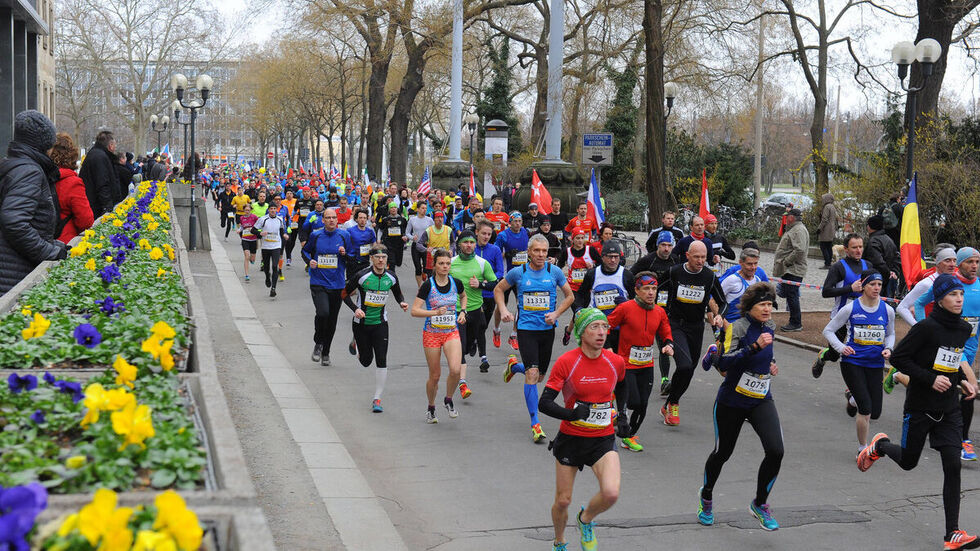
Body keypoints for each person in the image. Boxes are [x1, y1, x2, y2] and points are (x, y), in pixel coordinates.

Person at [856, 273, 980, 551]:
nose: (959, 299)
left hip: (948, 408)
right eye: (952, 295)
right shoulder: (926, 327)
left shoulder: (962, 328)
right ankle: (881, 446)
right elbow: (900, 359)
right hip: (921, 405)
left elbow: (950, 361)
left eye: (961, 294)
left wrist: (964, 382)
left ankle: (952, 534)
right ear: (939, 299)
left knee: (953, 465)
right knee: (909, 461)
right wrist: (929, 379)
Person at [537, 308, 629, 551]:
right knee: (563, 500)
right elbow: (544, 403)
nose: (601, 333)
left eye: (604, 327)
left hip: (602, 439)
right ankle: (559, 541)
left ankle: (585, 519)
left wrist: (622, 414)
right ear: (581, 331)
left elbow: (621, 386)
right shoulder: (568, 362)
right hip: (571, 438)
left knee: (610, 493)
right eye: (594, 327)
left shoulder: (615, 361)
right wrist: (571, 414)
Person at [697, 282, 784, 531]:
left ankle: (760, 503)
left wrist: (771, 362)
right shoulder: (737, 328)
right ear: (750, 307)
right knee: (723, 453)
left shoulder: (770, 326)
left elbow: (768, 353)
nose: (767, 309)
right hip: (732, 401)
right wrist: (754, 348)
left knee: (776, 450)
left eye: (770, 305)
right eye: (763, 305)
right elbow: (724, 363)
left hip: (760, 398)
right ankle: (707, 496)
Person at [496, 234, 575, 443]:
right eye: (536, 251)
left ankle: (514, 367)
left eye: (544, 251)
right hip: (526, 329)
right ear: (529, 252)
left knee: (539, 376)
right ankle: (535, 423)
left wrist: (557, 314)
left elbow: (570, 296)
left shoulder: (554, 272)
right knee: (532, 374)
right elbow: (498, 289)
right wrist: (503, 309)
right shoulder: (519, 272)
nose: (540, 254)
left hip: (547, 330)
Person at [821, 270, 895, 453]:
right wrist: (841, 348)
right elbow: (828, 331)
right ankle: (863, 448)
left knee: (876, 412)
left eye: (879, 284)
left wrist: (889, 348)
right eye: (872, 284)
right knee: (866, 409)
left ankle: (853, 399)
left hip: (875, 363)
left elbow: (891, 333)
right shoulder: (851, 308)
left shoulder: (887, 310)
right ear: (863, 286)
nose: (877, 288)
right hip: (852, 362)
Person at [0, 110, 67, 295]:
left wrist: (56, 244)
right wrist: (50, 252)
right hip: (14, 273)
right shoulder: (29, 171)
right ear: (43, 145)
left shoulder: (13, 164)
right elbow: (14, 222)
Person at [660, 240, 726, 425]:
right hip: (675, 324)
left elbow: (723, 301)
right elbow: (656, 289)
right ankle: (673, 403)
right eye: (696, 257)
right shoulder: (675, 272)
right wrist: (661, 312)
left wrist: (720, 315)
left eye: (703, 257)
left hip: (696, 327)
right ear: (687, 255)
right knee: (684, 366)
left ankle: (669, 402)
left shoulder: (709, 276)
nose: (700, 261)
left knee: (689, 370)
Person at [605, 272, 673, 452]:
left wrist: (668, 343)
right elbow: (606, 325)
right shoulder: (625, 308)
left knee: (643, 404)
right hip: (626, 364)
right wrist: (608, 347)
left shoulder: (659, 311)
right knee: (634, 401)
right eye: (646, 289)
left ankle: (629, 436)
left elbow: (665, 330)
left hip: (647, 365)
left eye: (654, 289)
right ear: (637, 290)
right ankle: (616, 406)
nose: (651, 293)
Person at [343, 244, 408, 413]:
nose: (381, 260)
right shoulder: (362, 276)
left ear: (387, 259)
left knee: (381, 359)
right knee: (366, 361)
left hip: (380, 324)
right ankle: (356, 343)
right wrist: (355, 309)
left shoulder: (391, 277)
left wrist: (401, 302)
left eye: (383, 257)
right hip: (361, 324)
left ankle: (377, 398)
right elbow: (344, 293)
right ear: (371, 258)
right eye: (377, 257)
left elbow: (397, 292)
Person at [411, 248, 467, 423]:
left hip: (451, 331)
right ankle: (431, 406)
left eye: (448, 263)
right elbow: (414, 311)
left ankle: (448, 399)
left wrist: (463, 312)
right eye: (441, 263)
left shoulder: (456, 282)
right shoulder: (428, 285)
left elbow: (463, 297)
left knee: (456, 370)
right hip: (432, 334)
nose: (445, 266)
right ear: (435, 265)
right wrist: (434, 313)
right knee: (435, 376)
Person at [811, 233, 871, 377]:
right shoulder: (838, 267)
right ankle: (823, 356)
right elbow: (826, 292)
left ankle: (853, 389)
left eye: (861, 247)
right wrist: (850, 289)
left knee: (861, 352)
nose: (858, 250)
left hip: (861, 316)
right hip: (841, 315)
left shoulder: (867, 265)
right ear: (845, 249)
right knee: (835, 354)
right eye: (854, 247)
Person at [450, 230, 499, 399]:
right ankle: (463, 383)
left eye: (471, 242)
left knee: (470, 342)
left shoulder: (482, 263)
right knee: (460, 348)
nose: (469, 245)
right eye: (465, 242)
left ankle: (473, 344)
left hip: (475, 310)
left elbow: (495, 284)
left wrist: (480, 284)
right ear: (459, 244)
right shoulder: (451, 263)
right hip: (456, 311)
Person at [630, 231, 679, 395]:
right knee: (640, 342)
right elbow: (630, 276)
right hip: (644, 307)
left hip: (664, 309)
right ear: (658, 245)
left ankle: (665, 379)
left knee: (664, 343)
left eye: (669, 245)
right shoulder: (648, 260)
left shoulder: (675, 260)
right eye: (663, 245)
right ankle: (632, 374)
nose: (666, 249)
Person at [302, 209, 352, 366]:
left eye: (334, 218)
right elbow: (305, 250)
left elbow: (353, 258)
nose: (331, 220)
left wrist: (344, 254)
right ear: (322, 220)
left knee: (332, 321)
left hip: (337, 284)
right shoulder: (316, 235)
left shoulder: (344, 236)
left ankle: (326, 352)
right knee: (323, 313)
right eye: (328, 218)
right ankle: (318, 342)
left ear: (337, 220)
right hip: (318, 282)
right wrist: (309, 261)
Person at [558, 228, 601, 346]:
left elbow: (601, 264)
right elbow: (559, 266)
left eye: (582, 238)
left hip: (588, 288)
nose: (580, 241)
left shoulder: (590, 250)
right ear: (572, 239)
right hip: (573, 289)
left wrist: (593, 265)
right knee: (580, 313)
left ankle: (568, 330)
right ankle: (585, 340)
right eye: (578, 238)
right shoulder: (567, 252)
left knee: (581, 313)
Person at [494, 212, 531, 349]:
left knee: (521, 305)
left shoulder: (525, 232)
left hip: (521, 274)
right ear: (510, 222)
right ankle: (496, 330)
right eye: (515, 221)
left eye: (520, 221)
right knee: (501, 305)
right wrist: (507, 254)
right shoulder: (503, 235)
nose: (518, 223)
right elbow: (496, 253)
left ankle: (514, 335)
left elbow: (528, 250)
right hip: (507, 275)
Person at [49, 133, 94, 244]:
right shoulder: (73, 183)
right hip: (66, 242)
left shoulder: (40, 176)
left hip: (40, 243)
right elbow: (86, 221)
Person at [896, 246, 957, 326]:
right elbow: (901, 308)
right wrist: (918, 327)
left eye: (954, 260)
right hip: (930, 334)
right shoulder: (927, 283)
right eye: (947, 260)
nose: (952, 264)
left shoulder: (957, 282)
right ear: (938, 263)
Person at [474, 220, 505, 372]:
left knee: (484, 325)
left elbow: (500, 271)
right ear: (477, 233)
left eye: (489, 234)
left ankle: (475, 340)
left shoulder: (495, 250)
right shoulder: (470, 248)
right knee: (479, 325)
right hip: (474, 294)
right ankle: (483, 357)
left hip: (490, 293)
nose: (486, 236)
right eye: (483, 233)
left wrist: (490, 278)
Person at [772, 207, 809, 332]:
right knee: (789, 294)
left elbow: (799, 250)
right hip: (791, 269)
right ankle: (794, 321)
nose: (786, 219)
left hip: (793, 269)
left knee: (792, 295)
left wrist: (786, 261)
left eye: (787, 217)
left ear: (791, 218)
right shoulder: (796, 229)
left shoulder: (798, 230)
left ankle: (795, 322)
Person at [253, 195, 288, 297]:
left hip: (276, 246)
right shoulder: (263, 219)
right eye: (271, 209)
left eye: (274, 209)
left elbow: (281, 231)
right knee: (267, 267)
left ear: (276, 210)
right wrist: (260, 234)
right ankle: (267, 277)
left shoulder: (280, 219)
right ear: (268, 210)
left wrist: (284, 235)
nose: (273, 210)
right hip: (266, 246)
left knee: (274, 266)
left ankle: (273, 288)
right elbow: (253, 230)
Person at [78, 130, 117, 218]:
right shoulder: (100, 157)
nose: (115, 148)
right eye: (114, 146)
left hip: (93, 204)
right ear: (110, 146)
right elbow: (102, 183)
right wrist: (107, 208)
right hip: (96, 207)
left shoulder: (96, 154)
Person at [867, 215, 902, 297]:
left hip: (877, 280)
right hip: (889, 279)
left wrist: (888, 273)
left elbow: (878, 261)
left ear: (870, 226)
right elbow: (897, 257)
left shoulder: (873, 241)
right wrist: (895, 271)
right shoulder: (889, 239)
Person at [406, 206, 434, 286]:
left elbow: (433, 231)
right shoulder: (412, 219)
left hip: (426, 246)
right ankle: (420, 287)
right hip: (416, 245)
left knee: (427, 268)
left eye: (425, 208)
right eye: (422, 208)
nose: (424, 210)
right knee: (418, 268)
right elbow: (407, 232)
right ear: (417, 209)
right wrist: (412, 237)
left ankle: (424, 273)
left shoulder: (429, 220)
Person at [378, 201, 408, 274]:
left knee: (398, 263)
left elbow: (407, 231)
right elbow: (380, 230)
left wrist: (406, 237)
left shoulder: (402, 219)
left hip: (399, 244)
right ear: (389, 210)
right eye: (391, 207)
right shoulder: (385, 220)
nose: (393, 209)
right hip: (388, 244)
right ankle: (392, 278)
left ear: (397, 209)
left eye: (395, 207)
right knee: (391, 263)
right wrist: (378, 239)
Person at [238, 204, 259, 282]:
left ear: (251, 210)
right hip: (245, 239)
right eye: (246, 210)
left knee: (252, 257)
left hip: (253, 240)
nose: (247, 211)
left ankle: (252, 258)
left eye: (248, 210)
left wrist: (254, 229)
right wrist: (239, 229)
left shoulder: (254, 217)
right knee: (247, 256)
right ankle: (247, 275)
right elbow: (242, 226)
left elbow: (259, 225)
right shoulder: (242, 217)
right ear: (244, 210)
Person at [817, 193, 839, 269]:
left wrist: (819, 228)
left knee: (823, 246)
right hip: (832, 229)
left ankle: (827, 263)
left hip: (826, 229)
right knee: (829, 246)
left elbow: (824, 219)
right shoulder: (833, 206)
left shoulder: (826, 207)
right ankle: (829, 263)